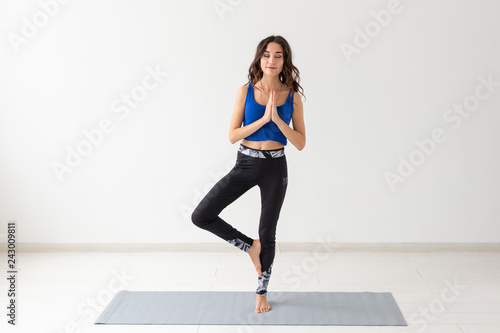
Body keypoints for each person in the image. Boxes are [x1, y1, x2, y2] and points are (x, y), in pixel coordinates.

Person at [191, 35, 306, 313]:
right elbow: (232, 135)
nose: (272, 60)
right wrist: (264, 119)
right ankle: (248, 246)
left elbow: (300, 142)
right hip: (245, 163)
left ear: (284, 61)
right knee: (201, 215)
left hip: (275, 166)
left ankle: (261, 293)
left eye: (278, 56)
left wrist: (278, 119)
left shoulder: (292, 96)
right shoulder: (245, 91)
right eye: (267, 55)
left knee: (268, 232)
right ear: (260, 58)